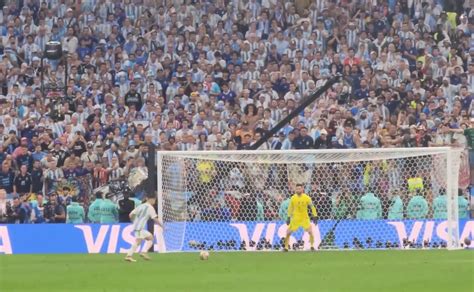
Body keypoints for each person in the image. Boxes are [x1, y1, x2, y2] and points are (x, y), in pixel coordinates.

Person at [125, 195, 164, 262]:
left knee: (150, 238)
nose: (154, 201)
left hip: (137, 226)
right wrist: (162, 226)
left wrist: (134, 221)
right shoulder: (150, 208)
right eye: (154, 200)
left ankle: (143, 252)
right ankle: (129, 256)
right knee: (138, 241)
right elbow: (154, 218)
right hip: (139, 227)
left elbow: (131, 214)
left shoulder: (141, 206)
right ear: (149, 199)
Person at [284, 183, 318, 252]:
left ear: (302, 189)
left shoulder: (307, 197)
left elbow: (312, 206)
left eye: (299, 188)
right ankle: (286, 247)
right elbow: (290, 208)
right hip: (295, 218)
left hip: (304, 218)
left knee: (310, 232)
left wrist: (315, 216)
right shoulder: (293, 198)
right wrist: (288, 217)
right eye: (297, 189)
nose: (298, 190)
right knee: (288, 232)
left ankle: (312, 246)